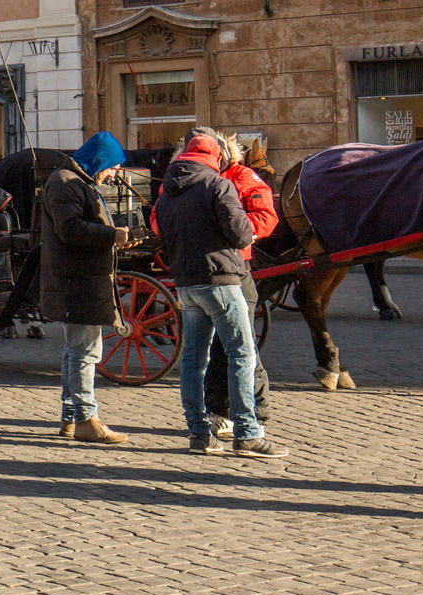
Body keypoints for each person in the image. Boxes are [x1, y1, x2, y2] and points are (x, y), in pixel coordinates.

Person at [154, 132, 286, 458]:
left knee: (193, 360)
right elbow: (242, 232)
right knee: (242, 353)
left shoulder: (168, 191)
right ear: (218, 157)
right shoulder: (218, 184)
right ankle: (248, 432)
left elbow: (160, 228)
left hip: (185, 281)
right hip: (223, 278)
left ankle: (199, 433)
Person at [42, 132, 134, 445]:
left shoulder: (75, 181)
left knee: (77, 349)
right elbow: (69, 229)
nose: (114, 173)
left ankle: (71, 417)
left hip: (81, 276)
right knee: (85, 351)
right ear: (99, 160)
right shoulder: (66, 182)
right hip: (77, 278)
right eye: (113, 166)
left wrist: (114, 234)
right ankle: (84, 417)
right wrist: (113, 236)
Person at [203, 135, 278, 438]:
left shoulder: (243, 177)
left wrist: (231, 235)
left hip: (235, 269)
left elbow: (265, 218)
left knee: (242, 344)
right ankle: (218, 410)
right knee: (214, 346)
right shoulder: (201, 179)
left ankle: (256, 413)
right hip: (206, 269)